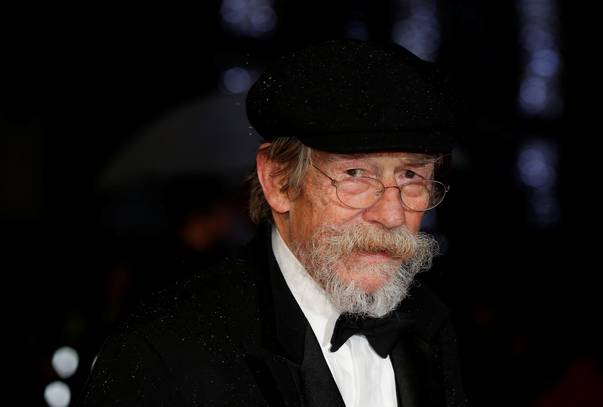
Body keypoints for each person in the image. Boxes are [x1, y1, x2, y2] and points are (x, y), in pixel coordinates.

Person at [81, 39, 466, 407]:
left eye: (411, 177)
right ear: (279, 182)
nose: (392, 215)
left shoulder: (433, 324)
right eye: (354, 174)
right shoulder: (162, 351)